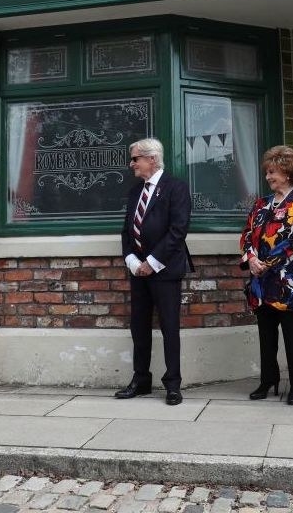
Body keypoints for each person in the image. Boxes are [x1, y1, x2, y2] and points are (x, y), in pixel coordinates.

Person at [240, 146, 293, 405]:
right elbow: (247, 235)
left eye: (272, 172)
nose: (268, 177)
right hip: (262, 281)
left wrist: (267, 262)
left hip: (292, 280)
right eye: (267, 172)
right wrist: (251, 259)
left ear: (286, 172)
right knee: (266, 335)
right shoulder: (261, 204)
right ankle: (268, 380)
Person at [116, 138, 192, 406]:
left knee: (170, 327)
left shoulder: (176, 188)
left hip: (164, 270)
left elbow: (177, 231)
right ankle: (141, 380)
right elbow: (127, 230)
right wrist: (132, 260)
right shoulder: (135, 191)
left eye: (135, 158)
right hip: (138, 271)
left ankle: (173, 384)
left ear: (152, 159)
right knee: (139, 327)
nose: (132, 164)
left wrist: (152, 261)